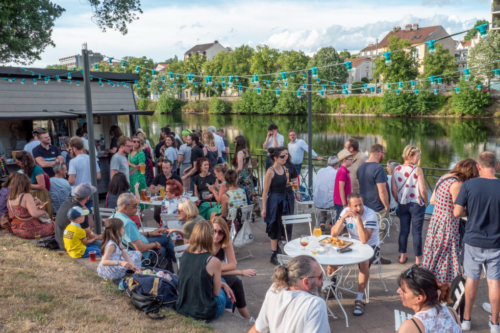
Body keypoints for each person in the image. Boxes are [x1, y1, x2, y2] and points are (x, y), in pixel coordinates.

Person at [453, 152, 500, 332]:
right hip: (496, 242)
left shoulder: (468, 185)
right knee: (494, 282)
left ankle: (466, 320)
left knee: (471, 280)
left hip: (473, 241)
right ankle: (495, 324)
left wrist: (469, 212)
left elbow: (457, 213)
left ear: (478, 167)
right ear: (496, 166)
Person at [421, 158, 478, 285]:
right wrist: (469, 211)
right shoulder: (456, 184)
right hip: (448, 223)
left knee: (434, 251)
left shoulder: (444, 177)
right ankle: (443, 283)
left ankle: (428, 280)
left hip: (436, 220)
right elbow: (457, 211)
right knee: (446, 254)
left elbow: (432, 201)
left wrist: (444, 205)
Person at [248, 255, 330, 333]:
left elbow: (258, 329)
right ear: (306, 282)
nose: (323, 279)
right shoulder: (315, 304)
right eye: (320, 276)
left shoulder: (275, 288)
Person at [329, 193, 379, 316]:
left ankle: (359, 299)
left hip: (371, 247)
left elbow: (364, 240)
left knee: (364, 262)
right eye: (355, 206)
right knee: (331, 258)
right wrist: (342, 219)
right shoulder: (346, 211)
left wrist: (358, 219)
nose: (359, 208)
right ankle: (331, 288)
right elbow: (334, 234)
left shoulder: (370, 214)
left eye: (360, 205)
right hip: (352, 245)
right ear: (349, 206)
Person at [175, 221, 236, 321]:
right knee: (228, 294)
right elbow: (216, 293)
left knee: (224, 285)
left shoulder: (185, 254)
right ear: (210, 236)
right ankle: (227, 320)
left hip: (183, 308)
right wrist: (223, 285)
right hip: (204, 312)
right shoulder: (213, 261)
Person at [115, 193, 175, 271]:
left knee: (164, 236)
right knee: (165, 243)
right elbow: (141, 248)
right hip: (142, 257)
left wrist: (149, 233)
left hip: (129, 250)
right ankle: (178, 261)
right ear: (125, 208)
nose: (137, 207)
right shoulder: (128, 223)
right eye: (134, 206)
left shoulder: (114, 217)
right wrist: (155, 244)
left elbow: (129, 235)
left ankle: (175, 266)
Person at [212, 217, 257, 321]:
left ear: (225, 233)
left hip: (218, 274)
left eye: (221, 232)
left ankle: (244, 319)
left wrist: (216, 269)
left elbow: (232, 265)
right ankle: (247, 319)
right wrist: (241, 272)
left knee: (234, 284)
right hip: (208, 276)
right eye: (214, 231)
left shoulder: (226, 242)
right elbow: (208, 271)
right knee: (235, 281)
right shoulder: (206, 242)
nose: (216, 235)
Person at [392, 145, 428, 266]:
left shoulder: (396, 170)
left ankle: (403, 256)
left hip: (403, 203)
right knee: (417, 232)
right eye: (417, 156)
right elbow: (422, 189)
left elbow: (393, 189)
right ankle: (418, 259)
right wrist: (426, 202)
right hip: (417, 204)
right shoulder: (418, 170)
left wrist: (398, 200)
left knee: (403, 230)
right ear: (410, 156)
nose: (419, 158)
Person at [397, 265, 461, 333]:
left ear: (419, 298)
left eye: (403, 290)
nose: (398, 291)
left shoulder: (410, 326)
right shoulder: (451, 313)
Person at [357, 143, 391, 265]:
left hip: (365, 205)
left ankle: (368, 255)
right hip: (377, 206)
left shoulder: (361, 167)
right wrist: (386, 205)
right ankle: (375, 257)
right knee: (380, 231)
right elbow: (382, 190)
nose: (383, 156)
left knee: (367, 230)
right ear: (380, 153)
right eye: (384, 154)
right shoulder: (378, 169)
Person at [261, 147, 294, 266]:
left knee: (284, 226)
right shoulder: (270, 171)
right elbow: (265, 192)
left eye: (285, 156)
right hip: (274, 201)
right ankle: (273, 254)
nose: (285, 158)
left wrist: (289, 184)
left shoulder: (285, 168)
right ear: (275, 158)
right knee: (274, 226)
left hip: (284, 200)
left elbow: (283, 184)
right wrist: (264, 208)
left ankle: (278, 249)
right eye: (282, 156)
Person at [7, 173, 54, 239]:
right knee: (55, 226)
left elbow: (21, 211)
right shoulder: (26, 196)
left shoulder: (9, 198)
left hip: (17, 230)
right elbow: (35, 214)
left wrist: (34, 204)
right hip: (30, 230)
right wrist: (44, 212)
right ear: (25, 184)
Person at [55, 183, 102, 250]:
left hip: (60, 242)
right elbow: (88, 235)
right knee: (104, 244)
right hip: (71, 246)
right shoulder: (81, 212)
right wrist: (99, 237)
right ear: (88, 197)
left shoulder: (66, 203)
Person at [68, 137, 101, 218]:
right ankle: (91, 230)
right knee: (89, 215)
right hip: (90, 191)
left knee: (78, 216)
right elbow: (98, 176)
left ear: (74, 148)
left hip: (77, 193)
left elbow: (71, 181)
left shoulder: (73, 161)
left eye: (70, 149)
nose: (70, 151)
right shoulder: (91, 158)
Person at [15, 150, 53, 217]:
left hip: (39, 194)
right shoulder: (24, 169)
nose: (17, 164)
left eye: (18, 162)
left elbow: (41, 186)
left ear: (24, 162)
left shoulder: (36, 168)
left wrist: (26, 185)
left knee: (41, 216)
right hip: (30, 194)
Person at [233, 135, 260, 218]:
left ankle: (243, 213)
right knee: (250, 194)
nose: (234, 143)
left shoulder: (240, 152)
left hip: (242, 176)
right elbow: (248, 164)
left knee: (242, 194)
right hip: (248, 174)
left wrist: (232, 172)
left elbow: (240, 168)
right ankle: (253, 213)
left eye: (235, 141)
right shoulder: (246, 150)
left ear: (238, 142)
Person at [150, 160, 182, 225]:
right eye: (163, 168)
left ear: (171, 167)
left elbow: (181, 190)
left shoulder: (176, 177)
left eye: (167, 168)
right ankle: (163, 225)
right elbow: (151, 189)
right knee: (156, 215)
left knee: (172, 215)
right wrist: (156, 190)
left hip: (173, 199)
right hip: (160, 200)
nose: (165, 170)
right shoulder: (159, 176)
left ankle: (169, 225)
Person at [314, 156, 339, 229]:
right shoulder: (336, 172)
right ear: (337, 164)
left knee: (323, 194)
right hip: (330, 203)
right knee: (336, 197)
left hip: (318, 202)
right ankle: (332, 221)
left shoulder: (320, 170)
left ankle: (322, 220)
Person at [333, 149, 353, 221]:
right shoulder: (342, 171)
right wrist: (344, 204)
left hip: (341, 200)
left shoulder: (344, 170)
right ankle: (338, 232)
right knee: (341, 221)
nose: (352, 161)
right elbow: (341, 188)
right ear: (344, 160)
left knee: (342, 220)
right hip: (341, 201)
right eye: (350, 159)